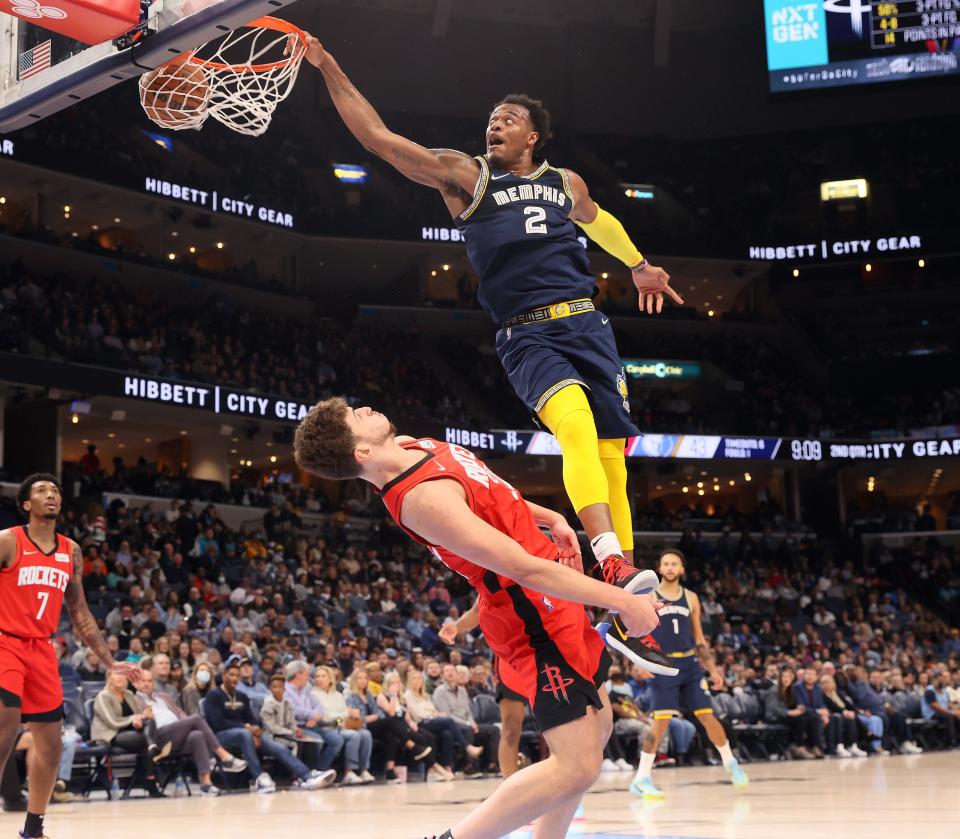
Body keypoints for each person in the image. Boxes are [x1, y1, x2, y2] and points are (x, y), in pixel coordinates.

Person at [300, 33, 681, 667]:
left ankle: (623, 582)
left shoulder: (566, 181)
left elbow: (599, 218)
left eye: (506, 121)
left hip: (589, 325)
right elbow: (379, 140)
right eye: (489, 121)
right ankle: (608, 560)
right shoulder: (466, 177)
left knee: (614, 453)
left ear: (533, 136)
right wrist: (329, 65)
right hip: (528, 333)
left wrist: (639, 264)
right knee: (577, 430)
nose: (493, 127)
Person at [294, 402, 663, 839]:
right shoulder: (420, 499)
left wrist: (548, 517)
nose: (365, 408)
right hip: (530, 615)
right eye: (355, 416)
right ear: (362, 453)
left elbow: (489, 489)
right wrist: (621, 601)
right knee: (577, 767)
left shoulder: (411, 445)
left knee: (598, 730)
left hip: (552, 597)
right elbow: (522, 568)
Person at [0, 474, 142, 839]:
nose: (51, 495)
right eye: (41, 491)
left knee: (52, 743)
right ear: (26, 505)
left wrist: (110, 662)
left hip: (42, 648)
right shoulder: (8, 541)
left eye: (56, 491)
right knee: (4, 727)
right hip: (5, 642)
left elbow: (79, 613)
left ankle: (33, 829)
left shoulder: (71, 550)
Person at [631, 550, 747, 799]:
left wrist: (713, 670)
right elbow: (636, 631)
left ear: (682, 569)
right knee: (660, 722)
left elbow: (699, 638)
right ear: (659, 569)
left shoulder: (692, 598)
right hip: (663, 664)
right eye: (666, 564)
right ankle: (641, 778)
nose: (670, 567)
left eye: (675, 564)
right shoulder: (648, 594)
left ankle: (730, 763)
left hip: (691, 666)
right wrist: (639, 663)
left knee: (708, 716)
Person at [203, 659, 334, 793]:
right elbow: (217, 723)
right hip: (220, 737)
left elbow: (252, 719)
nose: (234, 678)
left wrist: (257, 732)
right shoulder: (213, 695)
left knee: (279, 747)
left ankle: (307, 776)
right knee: (245, 734)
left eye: (237, 676)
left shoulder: (241, 696)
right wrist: (246, 728)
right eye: (231, 675)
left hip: (246, 733)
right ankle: (260, 777)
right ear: (224, 675)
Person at [441, 599, 528, 777]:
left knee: (555, 725)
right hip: (511, 655)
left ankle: (565, 783)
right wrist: (456, 627)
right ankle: (510, 787)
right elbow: (476, 612)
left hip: (547, 651)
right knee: (511, 727)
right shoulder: (495, 577)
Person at [136, 669, 246, 795]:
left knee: (197, 735)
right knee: (195, 719)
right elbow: (139, 721)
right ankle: (224, 756)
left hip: (177, 734)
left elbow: (180, 713)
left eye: (149, 681)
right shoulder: (135, 699)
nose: (146, 684)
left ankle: (206, 784)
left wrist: (186, 726)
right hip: (158, 737)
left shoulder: (163, 697)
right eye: (143, 681)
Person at [91, 671, 167, 798]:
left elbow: (139, 715)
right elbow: (112, 721)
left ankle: (151, 748)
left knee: (149, 722)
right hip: (110, 734)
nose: (120, 677)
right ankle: (151, 783)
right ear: (108, 677)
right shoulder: (103, 696)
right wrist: (133, 719)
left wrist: (139, 721)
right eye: (116, 674)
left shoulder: (129, 694)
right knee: (144, 741)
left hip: (130, 732)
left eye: (122, 675)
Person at [312, 665, 374, 784]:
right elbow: (325, 718)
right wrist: (340, 717)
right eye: (317, 676)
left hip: (339, 725)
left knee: (366, 734)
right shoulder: (314, 695)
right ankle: (348, 772)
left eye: (323, 676)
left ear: (330, 678)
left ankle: (363, 770)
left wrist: (339, 720)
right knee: (353, 735)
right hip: (324, 727)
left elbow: (344, 713)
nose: (319, 679)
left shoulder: (337, 695)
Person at [283, 661, 345, 776]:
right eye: (307, 674)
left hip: (319, 725)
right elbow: (293, 710)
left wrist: (316, 718)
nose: (310, 678)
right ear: (298, 674)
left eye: (322, 676)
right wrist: (312, 716)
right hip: (297, 726)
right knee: (317, 740)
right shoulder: (286, 690)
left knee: (337, 739)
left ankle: (321, 770)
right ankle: (311, 774)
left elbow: (319, 707)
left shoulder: (335, 695)